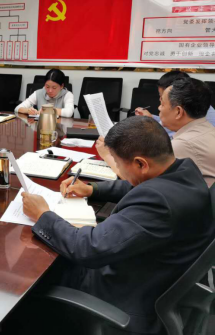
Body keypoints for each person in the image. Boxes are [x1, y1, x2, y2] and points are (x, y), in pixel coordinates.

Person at [22, 116, 214, 334]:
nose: (118, 170)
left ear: (141, 163)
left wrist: (43, 215)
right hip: (147, 271)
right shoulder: (184, 171)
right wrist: (93, 189)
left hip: (120, 296)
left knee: (31, 276)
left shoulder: (158, 204)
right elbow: (140, 186)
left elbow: (89, 248)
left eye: (117, 162)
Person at [157, 77, 215, 187]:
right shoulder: (208, 129)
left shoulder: (182, 145)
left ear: (178, 112)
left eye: (162, 104)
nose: (159, 108)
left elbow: (151, 185)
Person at [135, 70, 215, 137]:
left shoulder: (183, 139)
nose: (159, 106)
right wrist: (151, 117)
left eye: (162, 97)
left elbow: (166, 134)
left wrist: (151, 123)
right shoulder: (197, 106)